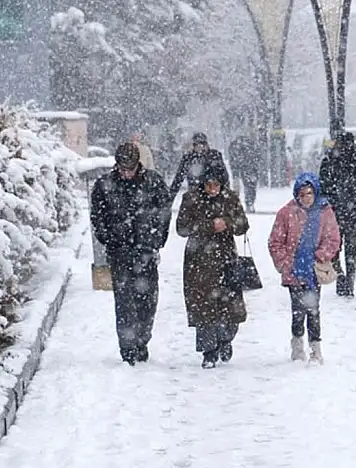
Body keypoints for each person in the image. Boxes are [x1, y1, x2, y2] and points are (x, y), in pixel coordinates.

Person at [90, 142, 172, 366]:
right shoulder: (104, 184)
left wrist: (157, 238)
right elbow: (97, 216)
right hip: (120, 252)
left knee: (147, 301)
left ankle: (143, 339)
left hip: (145, 250)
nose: (126, 174)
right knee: (125, 302)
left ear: (138, 165)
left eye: (130, 169)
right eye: (122, 169)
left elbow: (164, 212)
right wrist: (108, 237)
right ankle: (127, 347)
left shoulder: (153, 182)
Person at [176, 163, 249, 369]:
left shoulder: (230, 198)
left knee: (230, 306)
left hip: (226, 258)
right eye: (208, 185)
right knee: (203, 307)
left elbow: (243, 224)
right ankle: (208, 351)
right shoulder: (191, 199)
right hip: (199, 261)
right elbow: (182, 228)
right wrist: (209, 226)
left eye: (216, 184)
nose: (212, 188)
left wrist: (227, 222)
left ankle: (225, 339)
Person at [268, 172, 340, 364]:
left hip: (313, 270)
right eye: (302, 194)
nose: (306, 198)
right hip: (294, 270)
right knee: (297, 310)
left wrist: (320, 256)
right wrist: (285, 264)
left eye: (310, 193)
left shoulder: (325, 211)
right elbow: (275, 241)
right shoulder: (286, 213)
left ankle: (316, 349)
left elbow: (333, 239)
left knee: (314, 309)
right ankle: (297, 345)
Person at [318, 132, 356, 298]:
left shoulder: (330, 162)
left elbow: (323, 188)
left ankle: (341, 277)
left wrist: (333, 202)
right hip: (350, 213)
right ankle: (348, 282)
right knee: (350, 250)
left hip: (337, 213)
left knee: (335, 248)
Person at [169, 132, 230, 200]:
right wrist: (171, 198)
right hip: (195, 193)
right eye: (197, 144)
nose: (200, 147)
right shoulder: (188, 158)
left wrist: (225, 191)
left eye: (203, 144)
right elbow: (178, 178)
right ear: (194, 146)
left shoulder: (214, 156)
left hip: (213, 191)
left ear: (206, 144)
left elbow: (224, 175)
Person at [227, 133, 264, 212]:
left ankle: (243, 204)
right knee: (248, 186)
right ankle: (247, 203)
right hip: (248, 167)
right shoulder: (252, 144)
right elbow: (258, 156)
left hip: (247, 167)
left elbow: (232, 158)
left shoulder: (236, 144)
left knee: (246, 186)